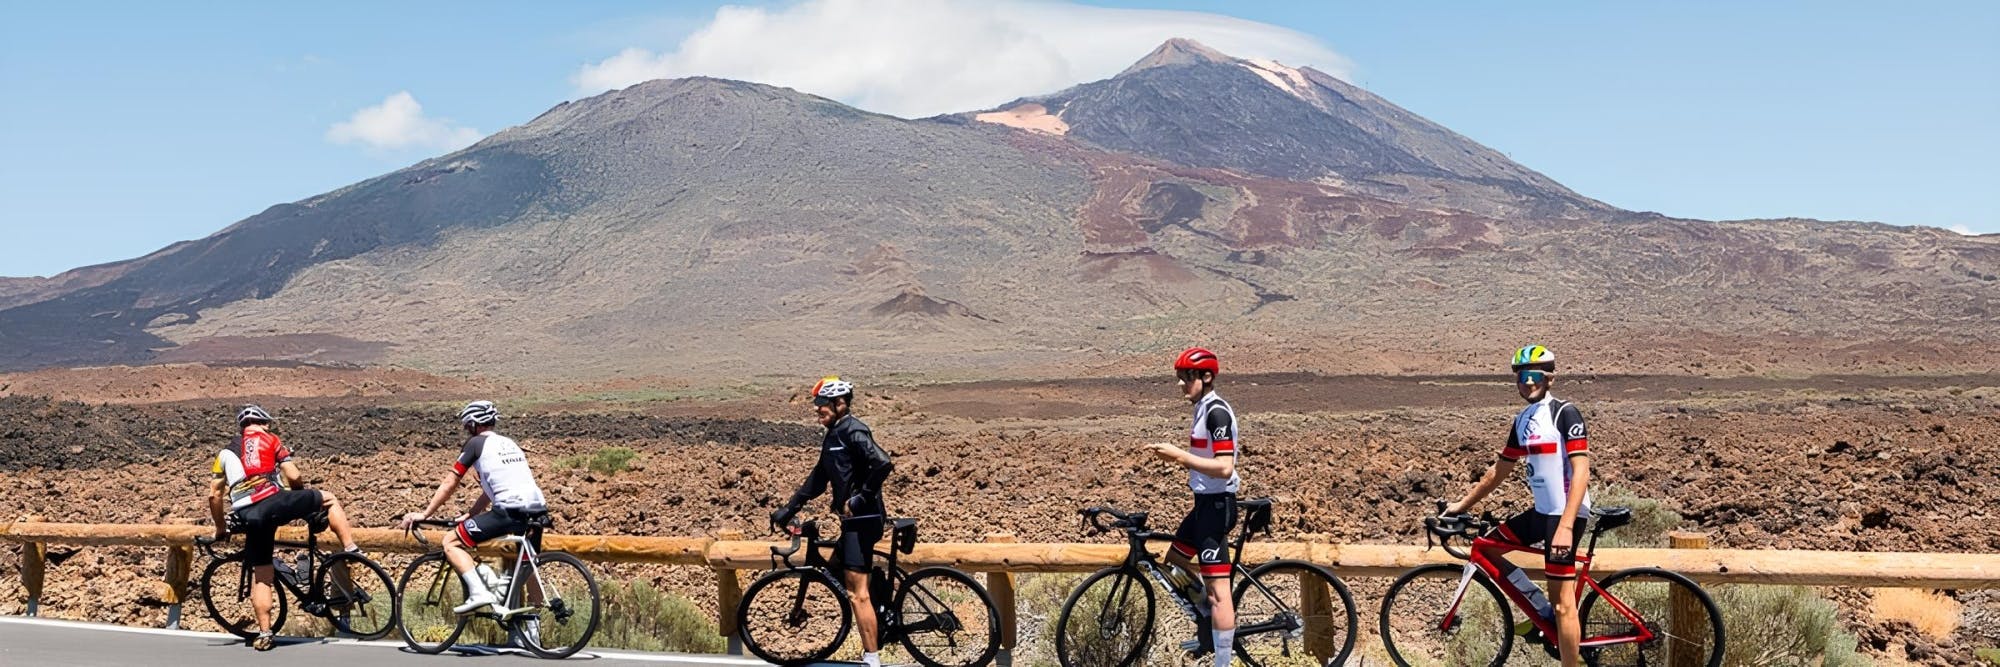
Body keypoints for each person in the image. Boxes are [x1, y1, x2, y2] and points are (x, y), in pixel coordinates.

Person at [1444, 345, 1592, 667]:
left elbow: (1581, 470)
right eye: (1521, 377)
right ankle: (1540, 612)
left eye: (1534, 376)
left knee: (1565, 604)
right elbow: (1499, 471)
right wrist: (1460, 505)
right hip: (1542, 514)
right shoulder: (1522, 420)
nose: (1527, 383)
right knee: (1490, 549)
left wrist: (1566, 526)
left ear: (1549, 378)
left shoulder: (1564, 413)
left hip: (1565, 516)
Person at [206, 404, 361, 651]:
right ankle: (351, 549)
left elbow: (214, 495)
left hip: (248, 513)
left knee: (262, 577)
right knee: (329, 498)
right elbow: (294, 475)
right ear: (264, 424)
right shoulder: (271, 440)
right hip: (274, 501)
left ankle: (265, 633)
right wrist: (301, 499)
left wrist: (221, 528)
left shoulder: (224, 454)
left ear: (242, 427)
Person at [771, 377, 895, 667]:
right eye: (817, 405)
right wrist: (789, 509)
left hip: (862, 520)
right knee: (839, 566)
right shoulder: (834, 435)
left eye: (822, 404)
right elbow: (818, 478)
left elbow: (883, 462)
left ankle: (872, 658)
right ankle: (880, 610)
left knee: (856, 593)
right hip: (854, 522)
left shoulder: (853, 430)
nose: (818, 410)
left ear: (840, 404)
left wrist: (860, 499)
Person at [398, 400, 549, 623]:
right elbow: (491, 489)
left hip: (509, 510)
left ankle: (479, 592)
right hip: (537, 509)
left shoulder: (476, 444)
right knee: (525, 564)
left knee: (451, 542)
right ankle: (534, 627)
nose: (466, 431)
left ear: (474, 424)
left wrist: (425, 514)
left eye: (466, 426)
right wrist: (471, 514)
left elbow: (451, 482)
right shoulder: (509, 443)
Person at [1143, 347, 1241, 667]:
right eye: (1179, 378)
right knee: (1174, 562)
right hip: (1202, 506)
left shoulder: (1217, 413)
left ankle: (1223, 661)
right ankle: (1206, 622)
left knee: (1218, 593)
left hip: (1216, 508)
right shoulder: (1201, 409)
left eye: (1186, 377)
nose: (1181, 384)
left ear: (1206, 377)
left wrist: (1179, 457)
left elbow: (1225, 467)